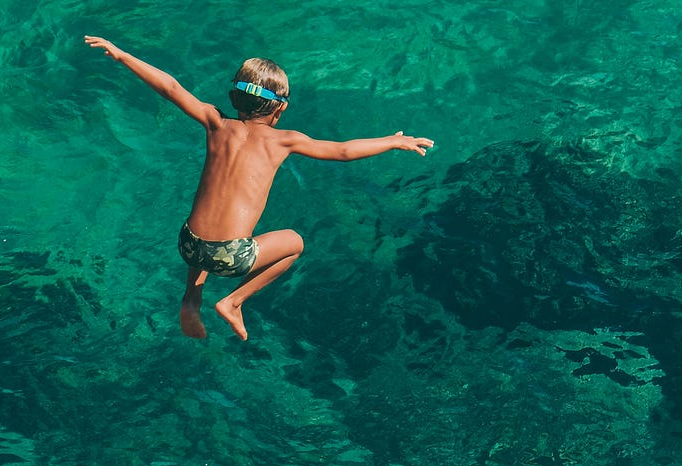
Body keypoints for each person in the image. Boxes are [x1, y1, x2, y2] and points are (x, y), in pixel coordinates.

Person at [84, 36, 434, 340]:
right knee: (295, 243)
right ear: (279, 106)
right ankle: (233, 302)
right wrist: (390, 141)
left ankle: (192, 298)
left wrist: (122, 54)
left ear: (235, 97)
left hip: (188, 244)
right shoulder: (283, 141)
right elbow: (342, 151)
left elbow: (171, 88)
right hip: (231, 257)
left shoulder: (215, 122)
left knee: (208, 230)